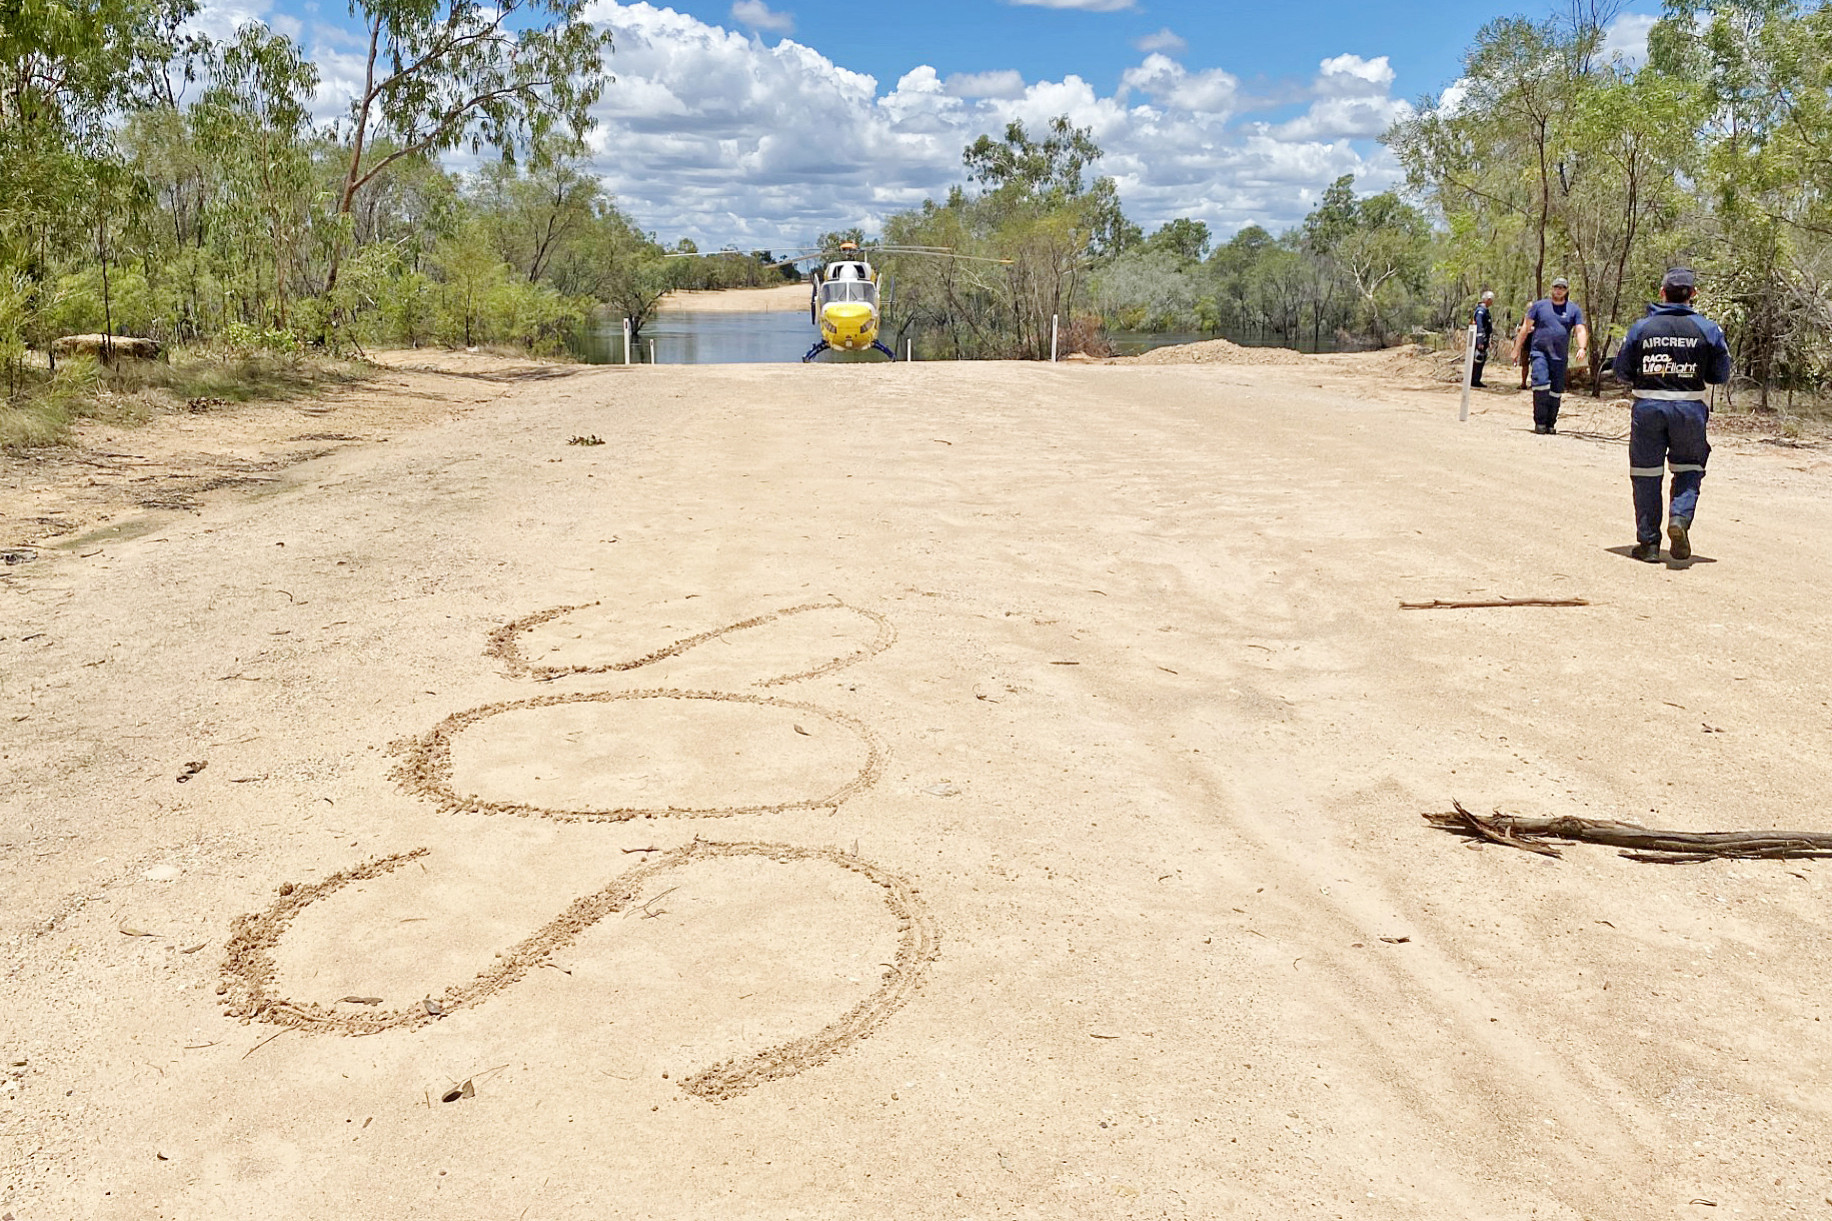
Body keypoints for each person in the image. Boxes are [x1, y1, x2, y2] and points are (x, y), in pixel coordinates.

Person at [1612, 267, 1732, 563]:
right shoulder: (1709, 329)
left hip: (1648, 409)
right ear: (1693, 295)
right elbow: (1720, 374)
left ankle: (1649, 544)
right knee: (1689, 469)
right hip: (1690, 410)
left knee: (1646, 475)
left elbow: (1621, 371)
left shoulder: (1641, 328)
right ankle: (1679, 518)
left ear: (1662, 292)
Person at [1513, 277, 1588, 434]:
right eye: (1556, 287)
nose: (1558, 290)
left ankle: (1550, 423)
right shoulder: (1539, 306)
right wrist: (1516, 349)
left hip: (1559, 357)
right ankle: (1540, 422)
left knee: (1555, 390)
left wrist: (1582, 347)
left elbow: (1580, 329)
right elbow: (1525, 328)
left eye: (1562, 288)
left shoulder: (1573, 309)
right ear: (1551, 288)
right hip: (1540, 353)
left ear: (1566, 291)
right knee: (1541, 383)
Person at [1471, 291, 1495, 387]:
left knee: (1481, 359)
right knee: (1478, 358)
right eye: (1491, 300)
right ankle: (1474, 380)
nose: (1492, 303)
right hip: (1479, 340)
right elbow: (1480, 326)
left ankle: (1477, 379)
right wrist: (1480, 341)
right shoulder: (1481, 311)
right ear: (1488, 300)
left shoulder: (1485, 311)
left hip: (1484, 339)